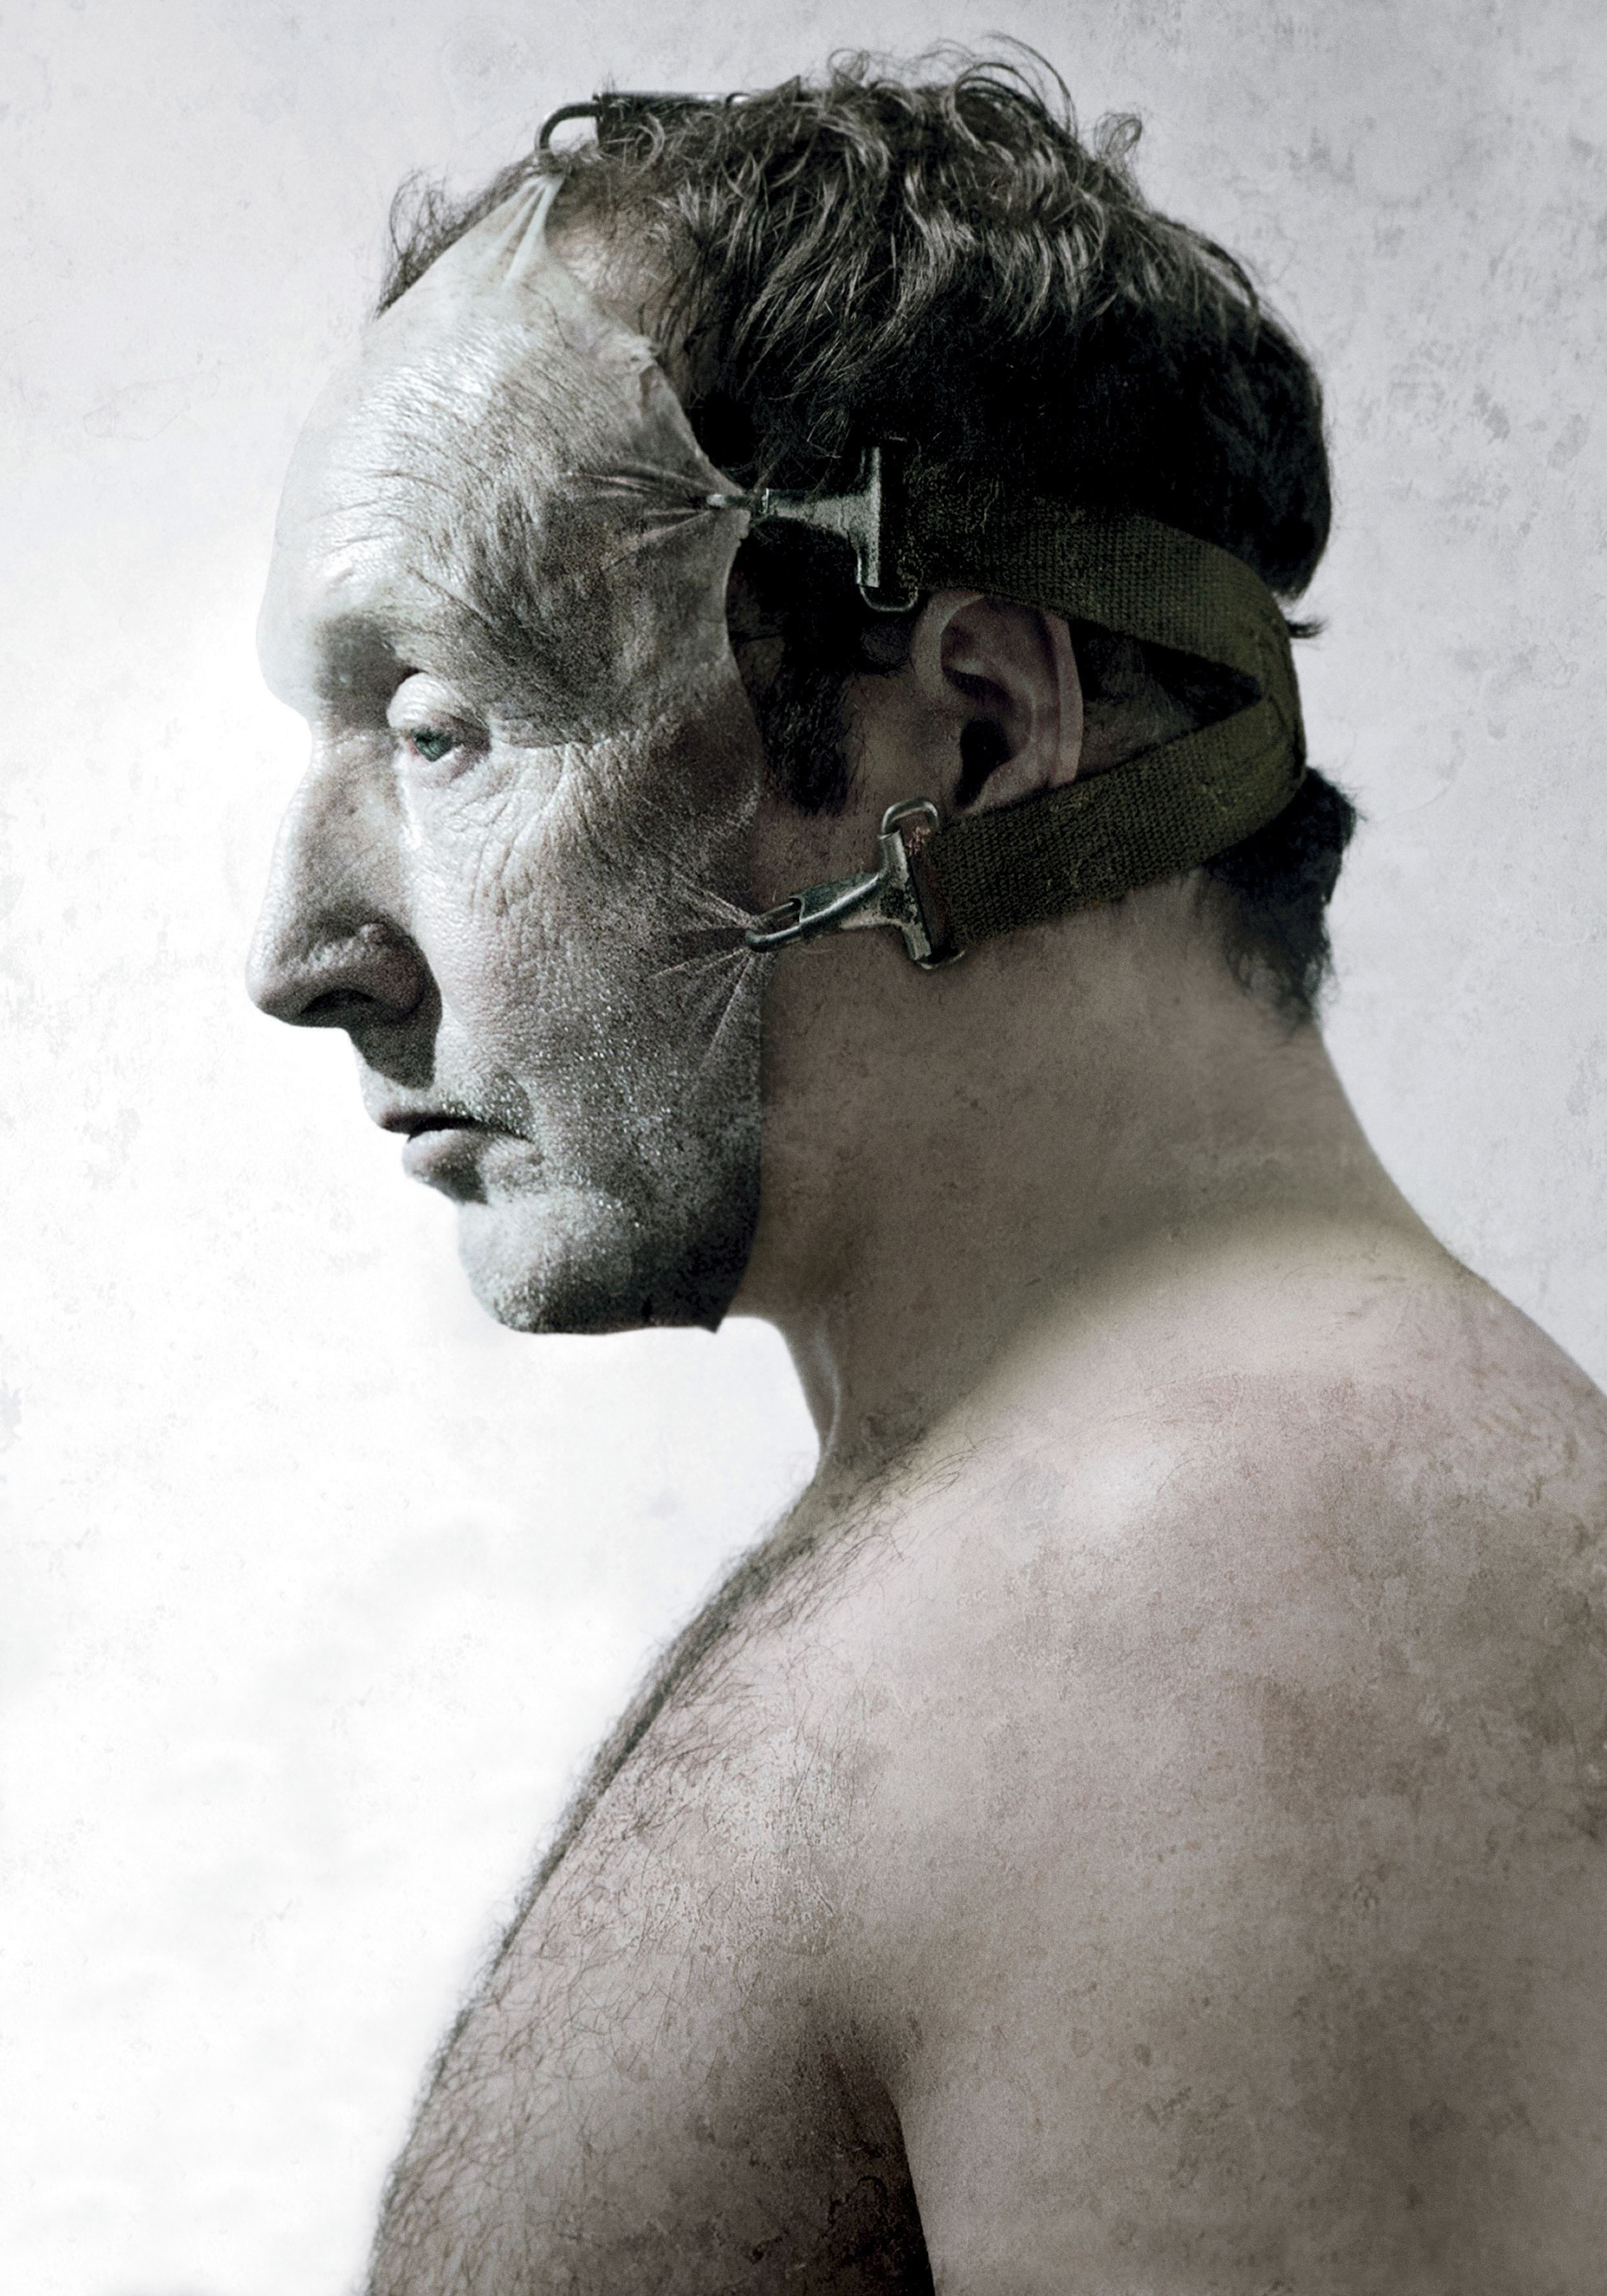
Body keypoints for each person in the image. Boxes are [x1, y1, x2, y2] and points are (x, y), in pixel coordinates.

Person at [247, 56, 1607, 2295]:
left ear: (968, 735)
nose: (306, 958)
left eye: (444, 728)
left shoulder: (1238, 1608)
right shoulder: (1099, 1528)